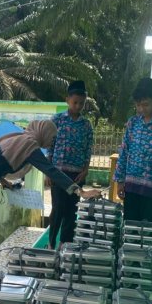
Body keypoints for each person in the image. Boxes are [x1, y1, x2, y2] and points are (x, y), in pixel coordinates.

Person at [0, 120, 101, 287]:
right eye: (52, 138)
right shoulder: (29, 145)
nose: (52, 142)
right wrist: (80, 191)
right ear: (44, 133)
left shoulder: (18, 138)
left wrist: (4, 181)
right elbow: (51, 170)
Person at [113, 77, 152, 223]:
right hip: (131, 188)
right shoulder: (132, 123)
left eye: (146, 105)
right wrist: (120, 181)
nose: (141, 109)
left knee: (149, 231)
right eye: (138, 105)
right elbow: (124, 152)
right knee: (130, 229)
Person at [46, 80, 93, 249]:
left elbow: (88, 149)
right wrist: (48, 172)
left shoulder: (86, 125)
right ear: (67, 100)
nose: (78, 106)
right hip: (58, 173)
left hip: (77, 175)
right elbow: (50, 146)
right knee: (58, 209)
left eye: (81, 103)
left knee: (71, 211)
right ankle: (51, 243)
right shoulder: (57, 120)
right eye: (75, 102)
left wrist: (85, 170)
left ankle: (65, 244)